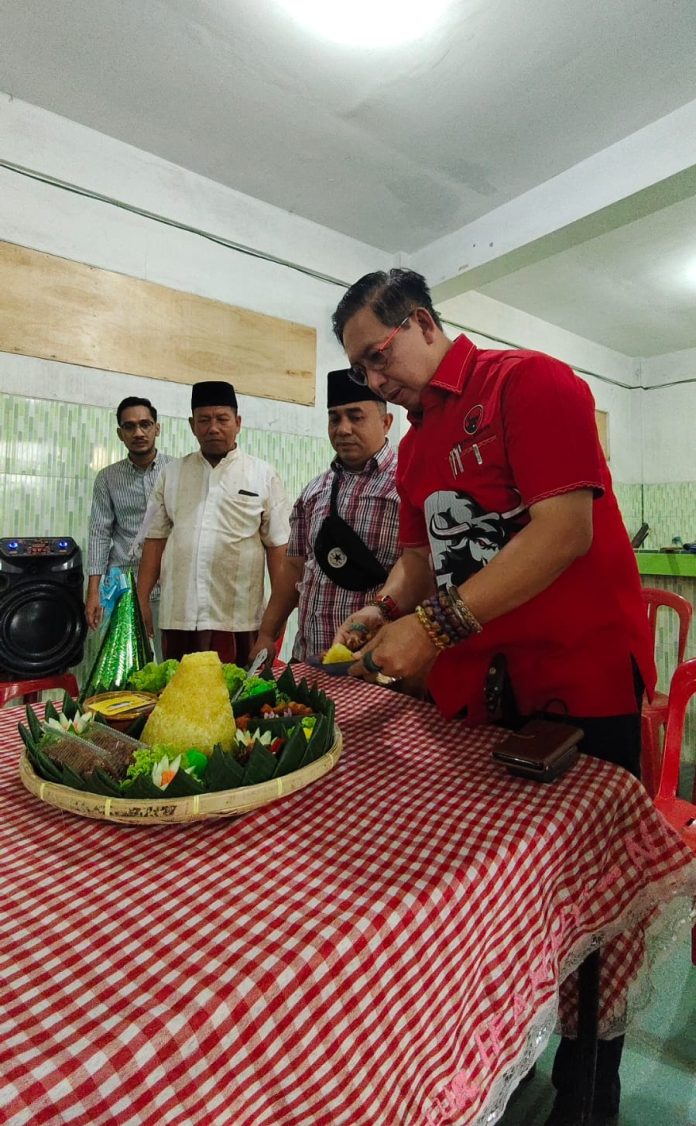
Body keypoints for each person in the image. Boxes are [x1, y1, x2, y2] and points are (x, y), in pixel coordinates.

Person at [330, 268, 655, 1126]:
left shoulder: (529, 384)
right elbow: (419, 558)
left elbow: (564, 531)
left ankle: (589, 1095)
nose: (373, 380)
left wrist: (433, 628)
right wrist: (385, 607)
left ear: (421, 322)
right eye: (360, 370)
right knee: (512, 891)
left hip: (580, 682)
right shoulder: (414, 446)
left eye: (378, 356)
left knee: (593, 897)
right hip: (485, 693)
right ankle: (513, 1057)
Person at [137, 380, 289, 666]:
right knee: (179, 688)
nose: (213, 428)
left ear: (238, 423)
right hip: (180, 616)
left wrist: (278, 615)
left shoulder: (263, 475)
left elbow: (278, 548)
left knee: (237, 691)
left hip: (239, 618)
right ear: (192, 425)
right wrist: (141, 599)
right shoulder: (172, 474)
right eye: (204, 420)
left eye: (222, 419)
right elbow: (155, 540)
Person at [252, 369, 401, 662]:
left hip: (373, 663)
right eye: (335, 418)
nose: (343, 429)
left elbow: (420, 575)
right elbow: (293, 568)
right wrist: (267, 634)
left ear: (386, 422)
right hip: (310, 657)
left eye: (355, 417)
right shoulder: (315, 491)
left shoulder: (406, 486)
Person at [86, 396, 171, 658]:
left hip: (170, 586)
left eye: (145, 424)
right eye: (129, 426)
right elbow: (99, 533)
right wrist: (93, 592)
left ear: (157, 428)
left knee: (170, 664)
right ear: (120, 433)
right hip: (124, 587)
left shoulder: (177, 471)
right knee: (125, 667)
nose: (138, 432)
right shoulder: (107, 478)